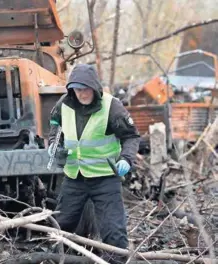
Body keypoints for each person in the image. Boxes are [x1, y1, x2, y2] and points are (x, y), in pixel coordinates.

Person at [47, 63, 140, 263]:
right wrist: (54, 145)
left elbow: (131, 137)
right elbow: (55, 125)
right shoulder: (64, 104)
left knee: (113, 231)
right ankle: (55, 259)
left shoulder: (111, 107)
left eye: (86, 89)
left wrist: (126, 159)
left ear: (95, 87)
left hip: (105, 178)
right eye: (78, 90)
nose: (82, 94)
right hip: (74, 177)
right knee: (61, 225)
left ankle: (115, 262)